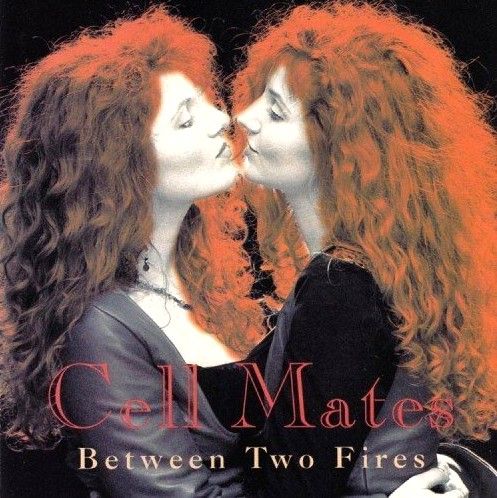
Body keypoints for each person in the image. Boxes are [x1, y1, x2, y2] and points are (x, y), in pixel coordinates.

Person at [0, 7, 268, 497]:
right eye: (186, 119)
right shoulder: (98, 330)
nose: (222, 120)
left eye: (208, 102)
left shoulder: (210, 282)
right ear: (121, 162)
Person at [233, 2, 497, 497]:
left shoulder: (339, 289)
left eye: (275, 110)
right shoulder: (388, 270)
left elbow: (290, 487)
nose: (243, 116)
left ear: (339, 144)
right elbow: (230, 397)